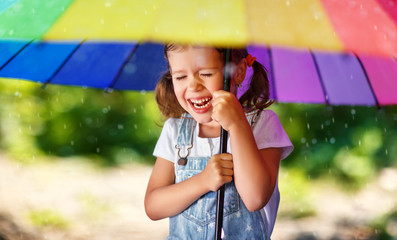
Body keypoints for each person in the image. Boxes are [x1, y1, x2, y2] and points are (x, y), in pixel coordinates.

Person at [145, 44, 293, 239]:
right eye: (180, 77)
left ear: (238, 73)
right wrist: (203, 181)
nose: (193, 86)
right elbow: (153, 207)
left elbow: (255, 198)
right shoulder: (175, 130)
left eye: (206, 74)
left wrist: (238, 124)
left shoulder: (262, 124)